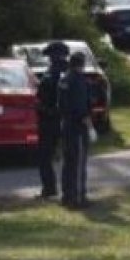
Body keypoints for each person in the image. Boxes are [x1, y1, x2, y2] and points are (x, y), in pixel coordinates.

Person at [34, 41, 70, 199]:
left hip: (50, 119)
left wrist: (42, 108)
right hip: (60, 119)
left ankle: (50, 189)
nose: (49, 58)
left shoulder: (56, 73)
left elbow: (50, 98)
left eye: (51, 55)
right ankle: (61, 189)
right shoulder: (66, 71)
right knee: (65, 156)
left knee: (45, 156)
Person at [58, 51, 93, 209]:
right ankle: (77, 197)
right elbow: (80, 105)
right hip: (78, 127)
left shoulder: (64, 79)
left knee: (68, 162)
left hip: (66, 125)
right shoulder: (78, 80)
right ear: (81, 64)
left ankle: (66, 195)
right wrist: (87, 121)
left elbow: (62, 104)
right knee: (78, 163)